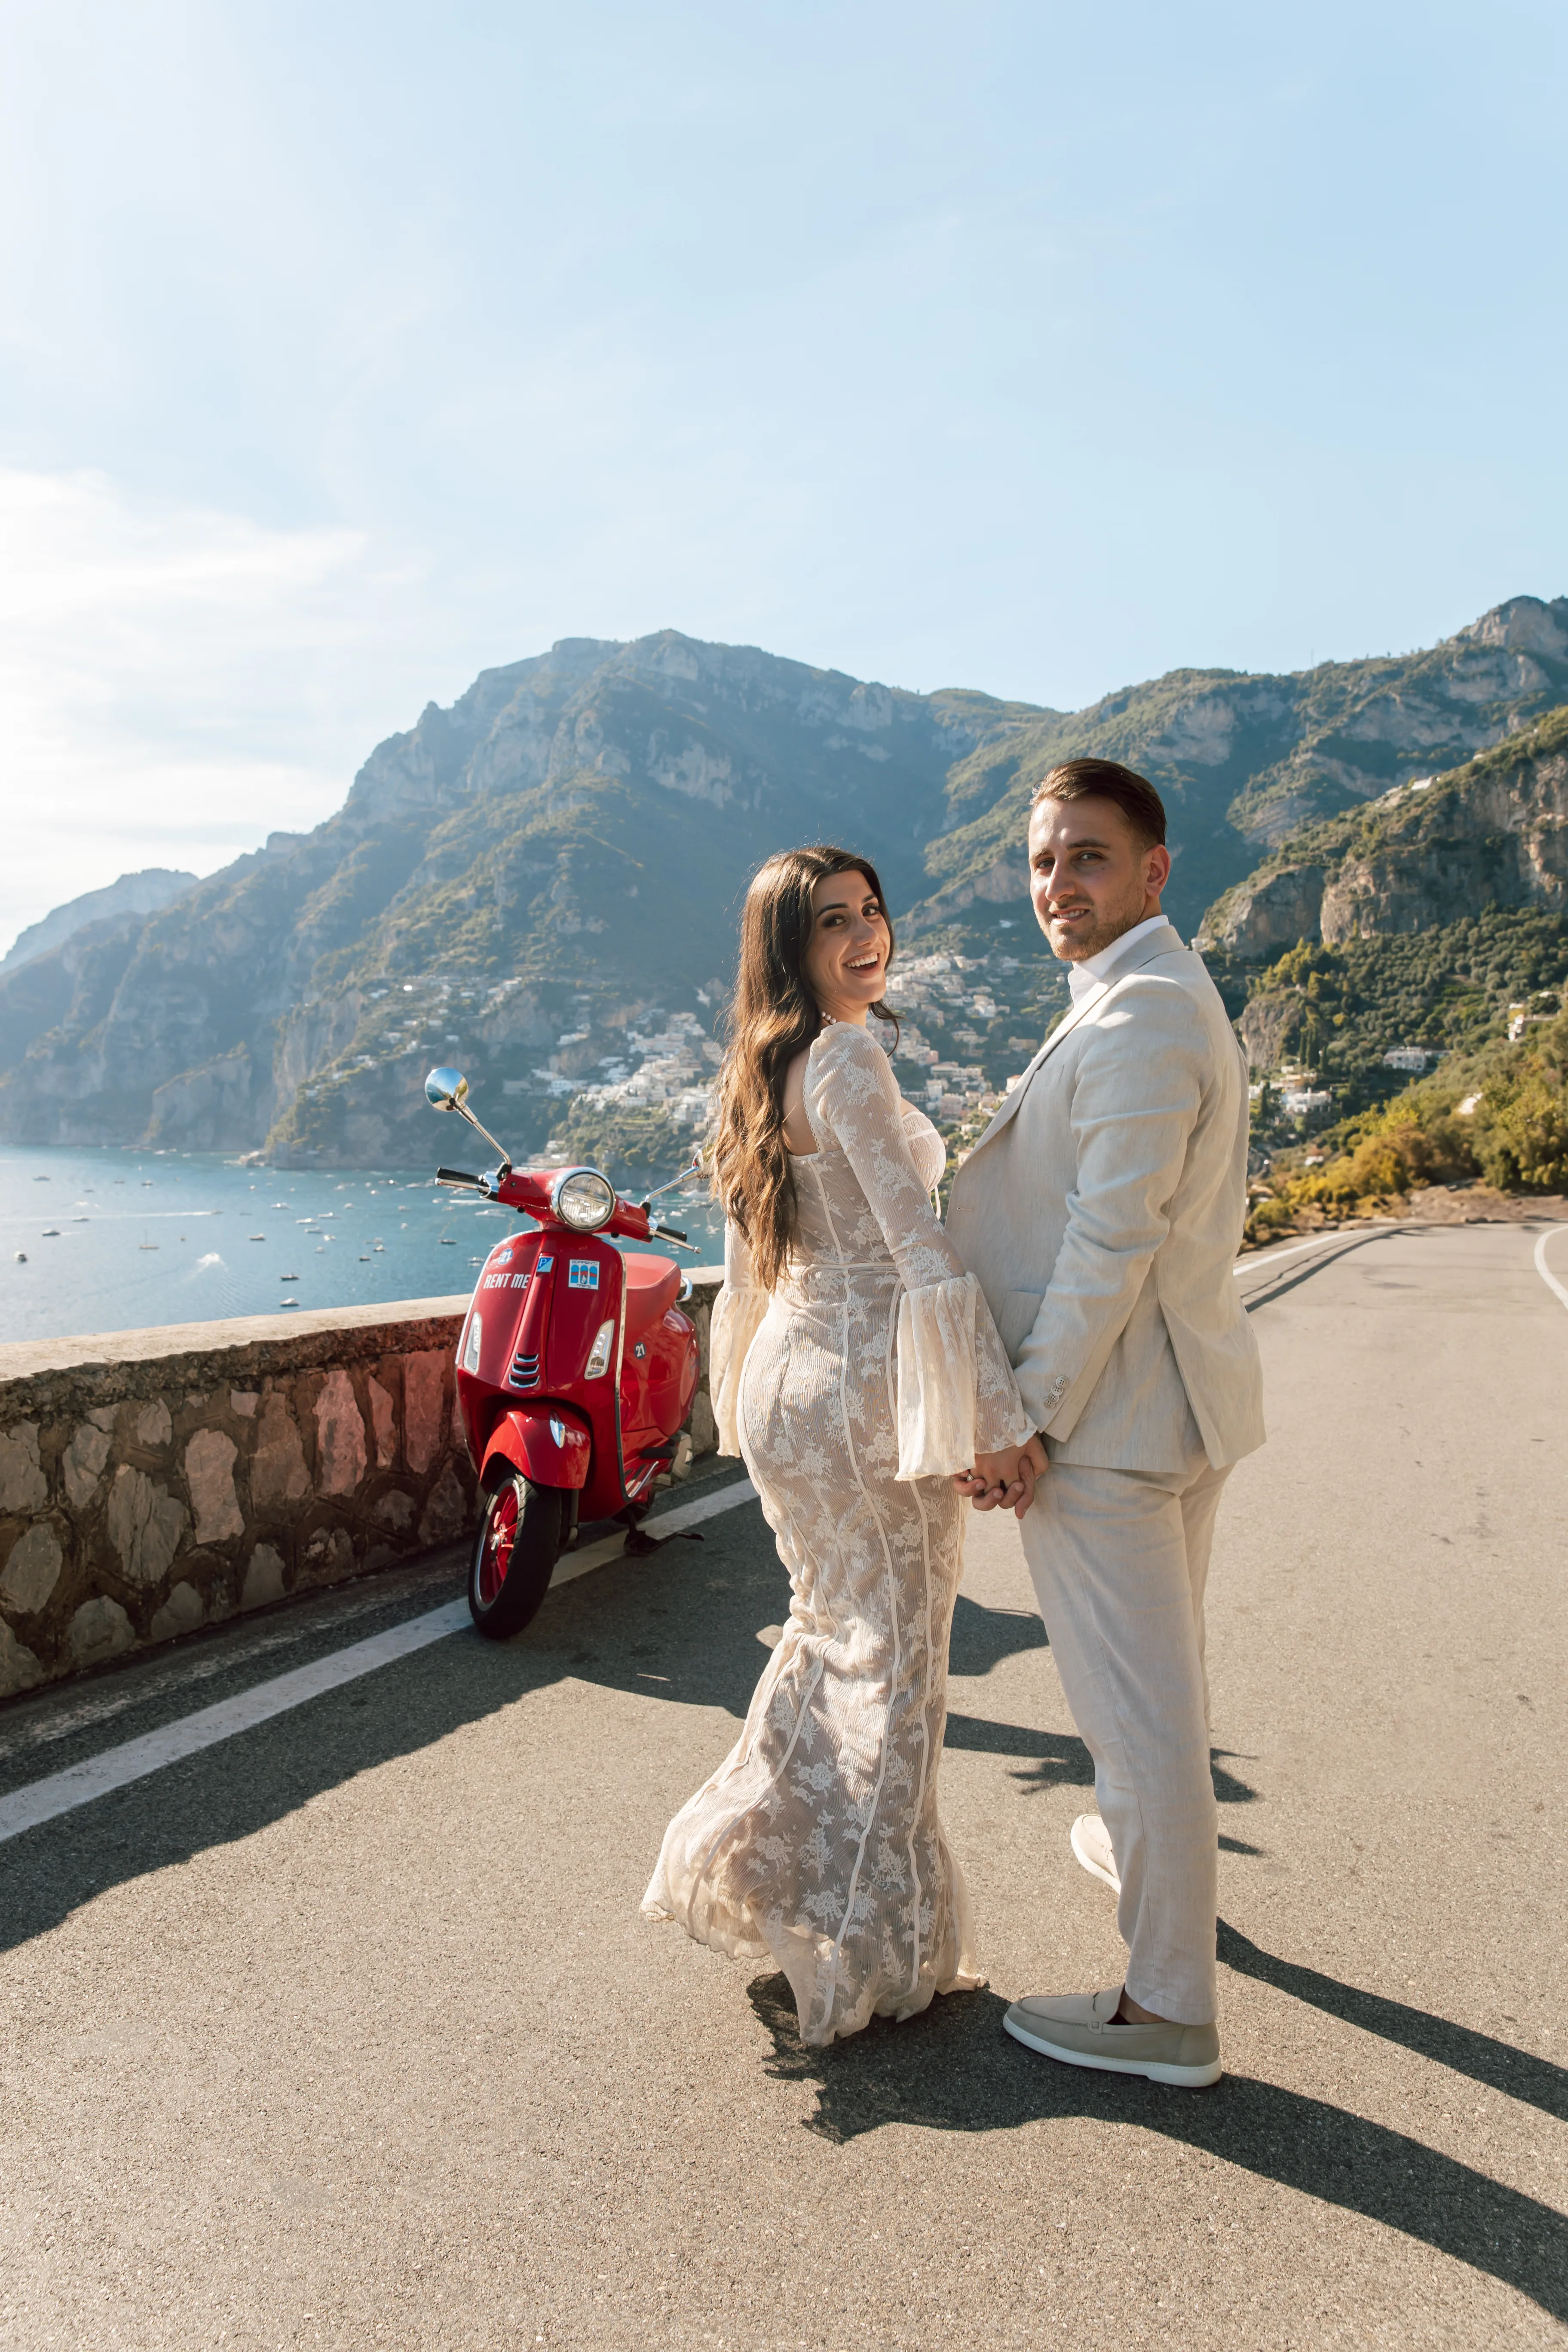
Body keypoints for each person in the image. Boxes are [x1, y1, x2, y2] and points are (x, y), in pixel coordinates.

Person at [643, 844, 1035, 2047]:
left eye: (874, 913)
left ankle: (760, 1860)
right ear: (791, 948)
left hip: (790, 1389)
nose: (868, 936)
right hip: (866, 1397)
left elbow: (756, 1267)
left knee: (832, 1636)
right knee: (903, 1662)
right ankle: (869, 1951)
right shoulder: (852, 1059)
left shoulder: (767, 1068)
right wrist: (991, 1425)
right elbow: (923, 1256)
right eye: (833, 922)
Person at [947, 758, 1265, 2090]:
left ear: (1153, 871)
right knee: (1160, 1710)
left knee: (1137, 1727)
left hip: (1113, 1427)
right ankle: (1154, 1872)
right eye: (1040, 861)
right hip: (1167, 1404)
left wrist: (1024, 1418)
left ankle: (1164, 2011)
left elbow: (1109, 1242)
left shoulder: (1141, 1014)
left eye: (1085, 856)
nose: (1056, 884)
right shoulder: (1140, 993)